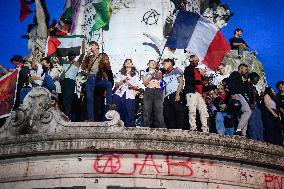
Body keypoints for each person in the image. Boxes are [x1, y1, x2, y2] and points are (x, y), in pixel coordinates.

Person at [82, 41, 112, 121]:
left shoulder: (103, 55)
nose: (90, 47)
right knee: (89, 99)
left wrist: (105, 62)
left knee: (108, 84)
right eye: (90, 45)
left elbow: (108, 67)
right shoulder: (89, 57)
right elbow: (83, 67)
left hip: (99, 78)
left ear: (97, 47)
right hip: (90, 78)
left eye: (92, 45)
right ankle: (91, 118)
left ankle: (109, 105)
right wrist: (87, 55)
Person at [183, 55, 209, 132]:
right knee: (192, 110)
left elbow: (202, 85)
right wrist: (200, 82)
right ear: (191, 60)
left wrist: (214, 86)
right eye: (196, 60)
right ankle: (193, 127)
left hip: (199, 93)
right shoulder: (188, 69)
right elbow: (188, 80)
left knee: (203, 110)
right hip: (191, 92)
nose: (197, 62)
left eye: (198, 60)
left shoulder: (197, 71)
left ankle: (205, 128)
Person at [113, 59, 140, 127]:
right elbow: (116, 84)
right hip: (119, 94)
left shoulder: (135, 75)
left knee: (129, 113)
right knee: (118, 113)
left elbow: (138, 87)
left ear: (132, 65)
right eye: (126, 62)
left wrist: (132, 86)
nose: (128, 63)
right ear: (124, 64)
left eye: (130, 62)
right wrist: (123, 81)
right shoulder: (119, 73)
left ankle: (130, 130)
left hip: (129, 95)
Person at [227, 64, 252, 136]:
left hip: (238, 95)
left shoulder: (240, 77)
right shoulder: (235, 73)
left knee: (242, 115)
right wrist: (232, 94)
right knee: (248, 111)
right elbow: (230, 83)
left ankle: (243, 134)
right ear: (241, 68)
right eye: (245, 69)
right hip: (237, 95)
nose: (246, 71)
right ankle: (239, 129)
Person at [162, 58, 185, 129]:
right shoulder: (164, 75)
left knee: (178, 111)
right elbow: (163, 87)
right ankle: (172, 129)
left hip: (175, 93)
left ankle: (180, 129)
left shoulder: (176, 70)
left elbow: (181, 82)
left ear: (169, 63)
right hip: (167, 96)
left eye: (164, 64)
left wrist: (178, 93)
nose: (163, 66)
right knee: (168, 114)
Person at [142, 60, 164, 128]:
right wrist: (151, 75)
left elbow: (160, 77)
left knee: (159, 111)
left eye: (154, 63)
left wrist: (157, 71)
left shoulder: (159, 72)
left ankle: (159, 128)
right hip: (149, 90)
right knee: (147, 110)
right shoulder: (145, 73)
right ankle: (146, 128)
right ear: (148, 64)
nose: (153, 64)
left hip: (158, 91)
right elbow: (145, 83)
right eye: (152, 63)